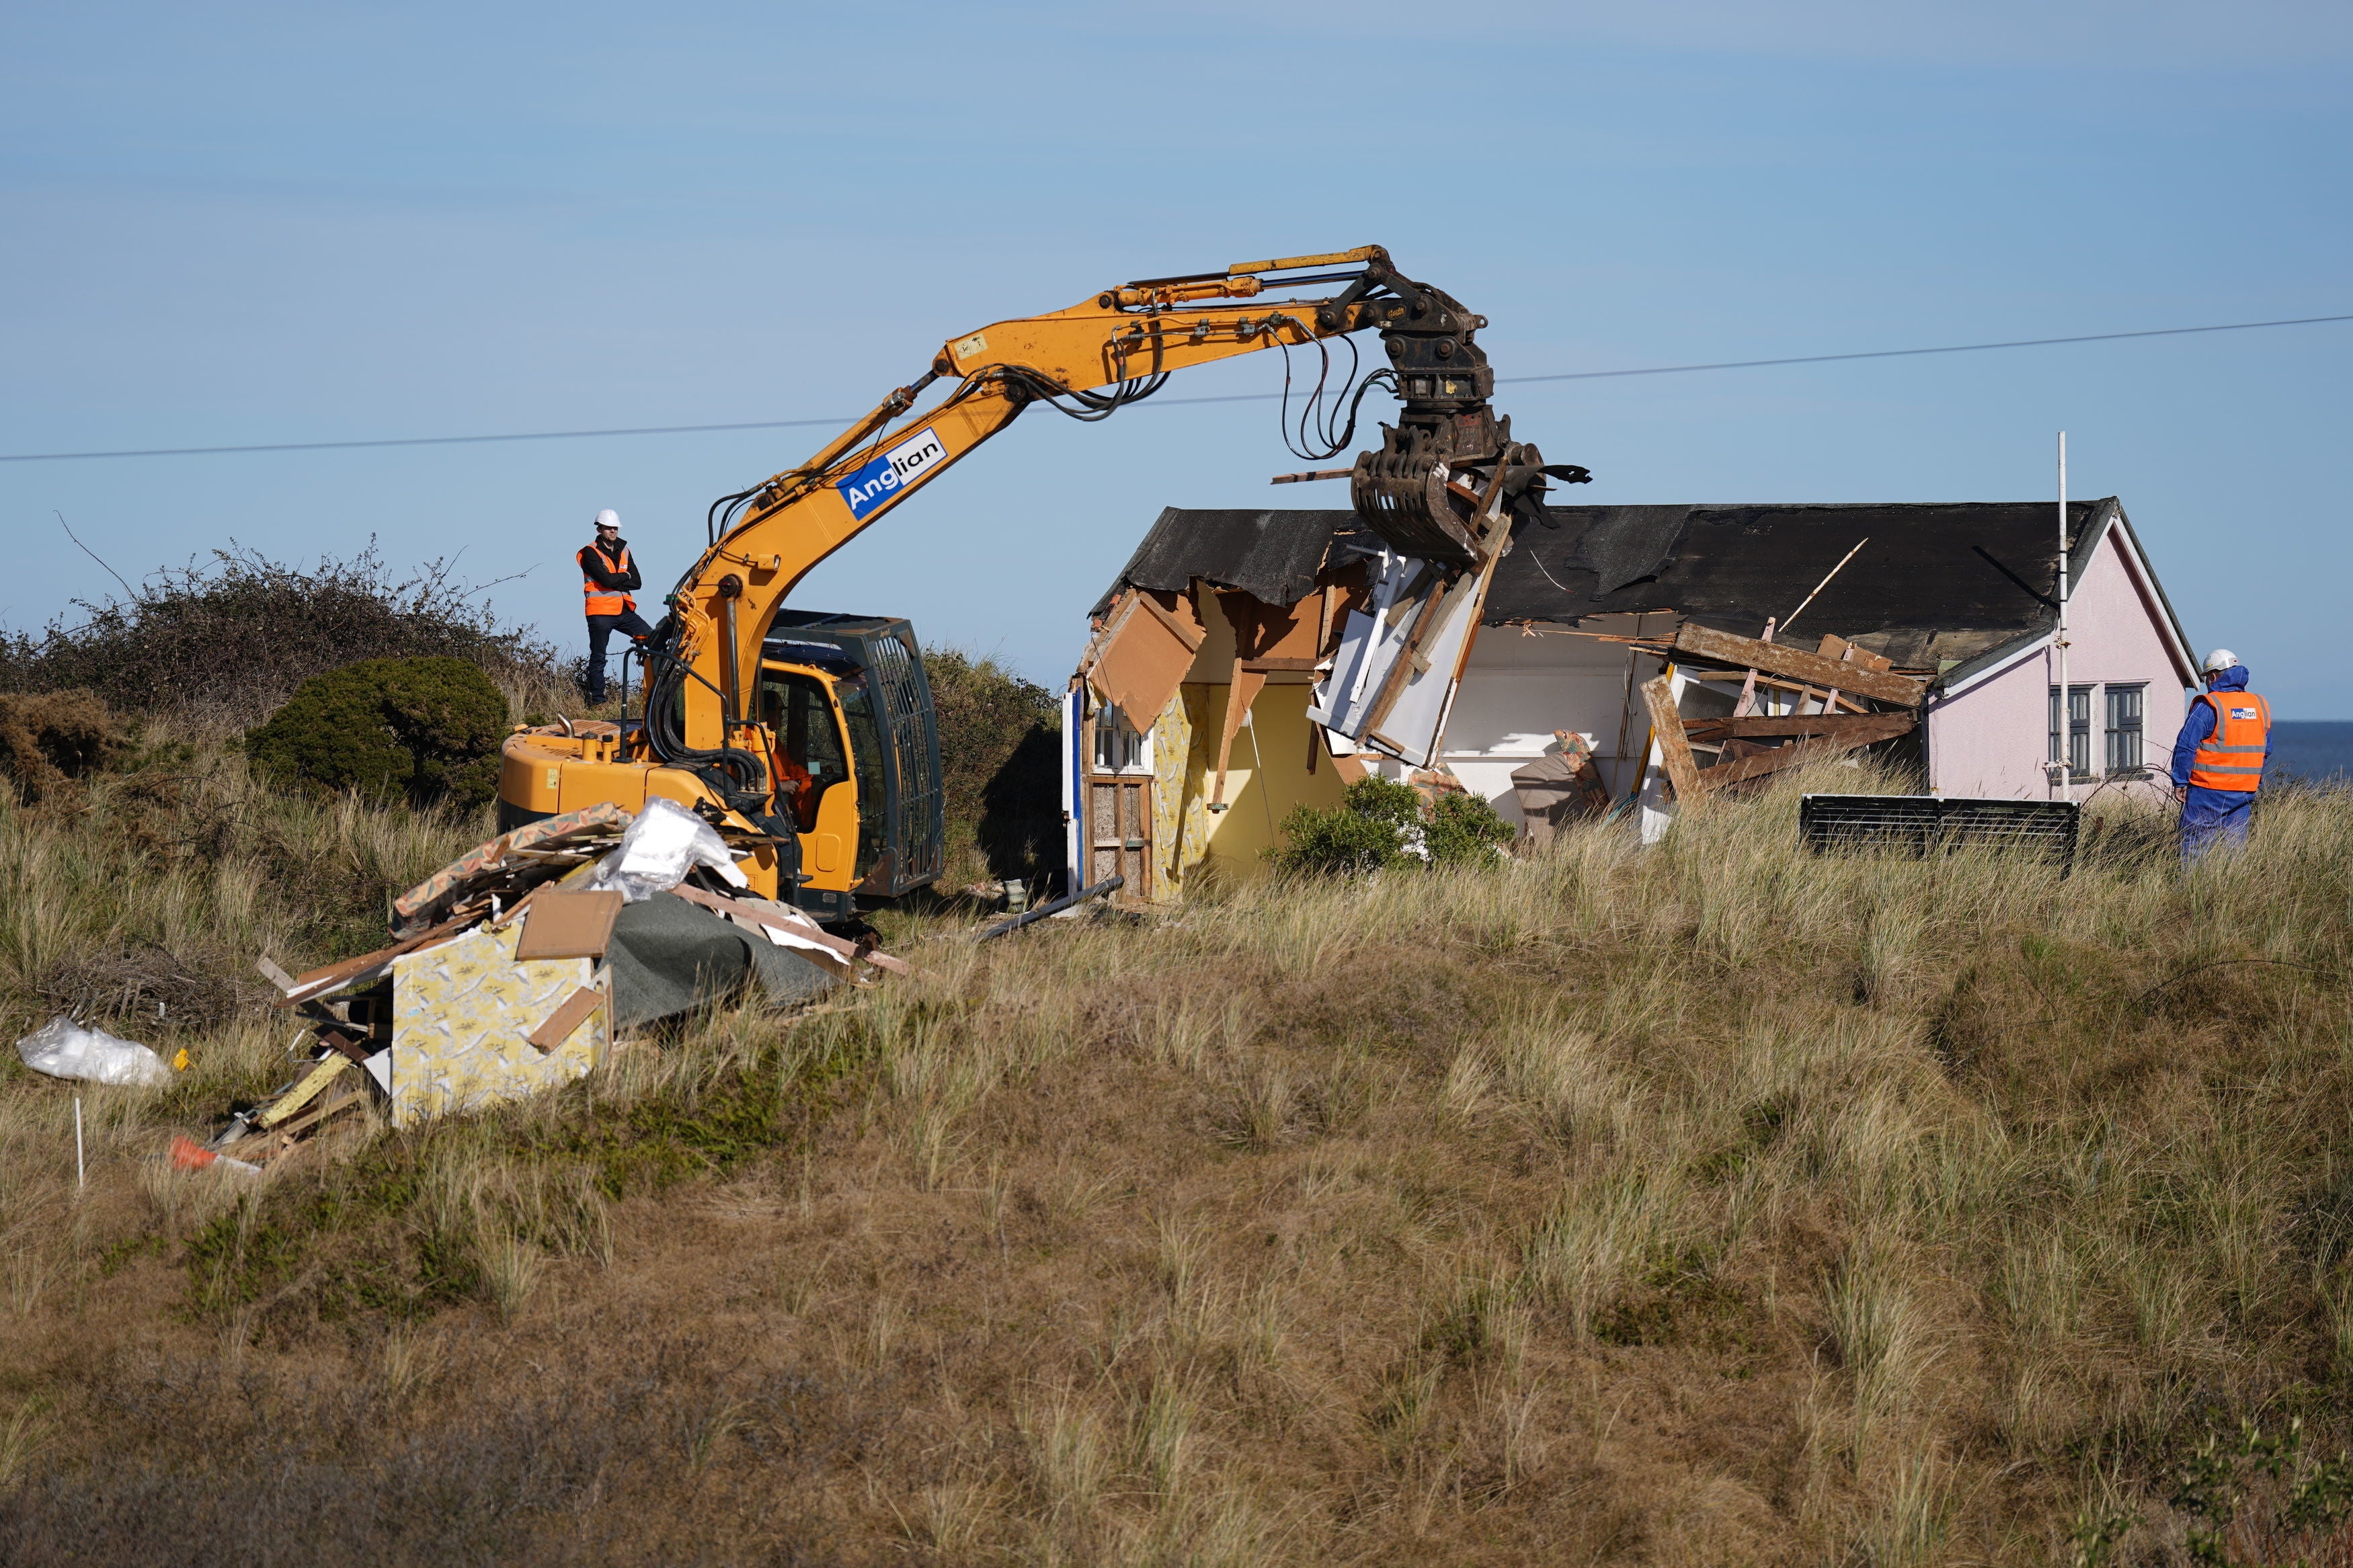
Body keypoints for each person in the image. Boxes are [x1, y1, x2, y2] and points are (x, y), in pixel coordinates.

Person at [2169, 648, 2271, 863]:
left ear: (2213, 676)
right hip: (2244, 792)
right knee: (2233, 852)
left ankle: (2192, 893)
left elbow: (2186, 746)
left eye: (2207, 678)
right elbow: (2265, 749)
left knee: (2196, 850)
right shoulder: (2259, 705)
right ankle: (2229, 893)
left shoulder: (2210, 705)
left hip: (2208, 790)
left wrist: (2180, 781)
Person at [578, 509, 651, 706]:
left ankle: (652, 694)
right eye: (609, 528)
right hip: (600, 611)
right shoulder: (590, 552)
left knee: (653, 639)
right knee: (599, 656)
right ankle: (598, 702)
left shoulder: (625, 550)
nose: (613, 531)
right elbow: (605, 579)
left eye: (615, 528)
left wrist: (616, 580)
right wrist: (623, 578)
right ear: (599, 528)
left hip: (623, 609)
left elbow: (637, 582)